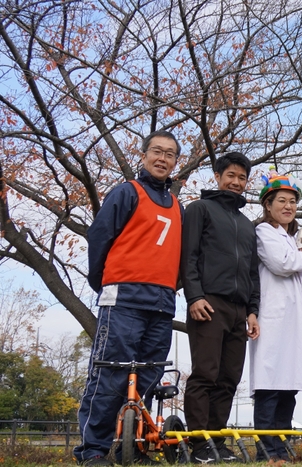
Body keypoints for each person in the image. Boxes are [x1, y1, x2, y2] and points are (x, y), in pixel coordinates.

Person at [74, 130, 183, 466]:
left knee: (146, 378)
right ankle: (93, 450)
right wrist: (102, 282)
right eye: (157, 152)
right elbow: (100, 235)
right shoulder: (127, 192)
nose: (162, 159)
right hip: (123, 298)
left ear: (175, 162)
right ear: (144, 154)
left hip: (162, 303)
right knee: (110, 375)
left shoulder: (178, 205)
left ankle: (131, 447)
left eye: (170, 154)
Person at [180, 152, 261, 464]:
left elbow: (253, 273)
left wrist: (253, 310)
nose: (237, 182)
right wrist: (194, 296)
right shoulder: (200, 209)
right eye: (231, 175)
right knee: (205, 373)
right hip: (208, 303)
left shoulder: (247, 224)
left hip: (239, 310)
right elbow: (189, 256)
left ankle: (217, 442)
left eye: (242, 178)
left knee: (229, 377)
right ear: (217, 176)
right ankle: (199, 444)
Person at [249, 172, 302, 461]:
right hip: (273, 320)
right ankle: (266, 453)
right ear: (268, 204)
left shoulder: (293, 237)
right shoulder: (264, 232)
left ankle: (281, 449)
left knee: (288, 389)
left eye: (293, 202)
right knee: (269, 388)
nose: (288, 207)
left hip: (296, 324)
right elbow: (282, 263)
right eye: (282, 201)